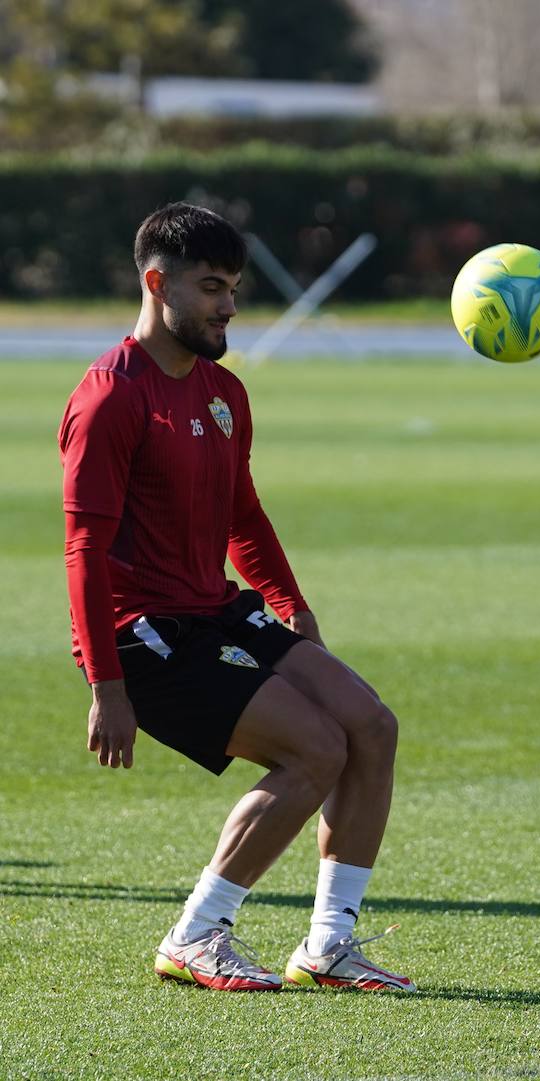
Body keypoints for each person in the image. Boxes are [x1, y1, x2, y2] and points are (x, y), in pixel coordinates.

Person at [59, 202, 414, 993]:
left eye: (234, 287)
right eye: (212, 286)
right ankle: (197, 932)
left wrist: (290, 601)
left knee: (371, 725)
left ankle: (329, 944)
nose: (229, 305)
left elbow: (241, 512)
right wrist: (105, 685)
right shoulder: (110, 398)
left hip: (216, 606)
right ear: (158, 284)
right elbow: (83, 549)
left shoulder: (224, 393)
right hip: (139, 634)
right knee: (315, 748)